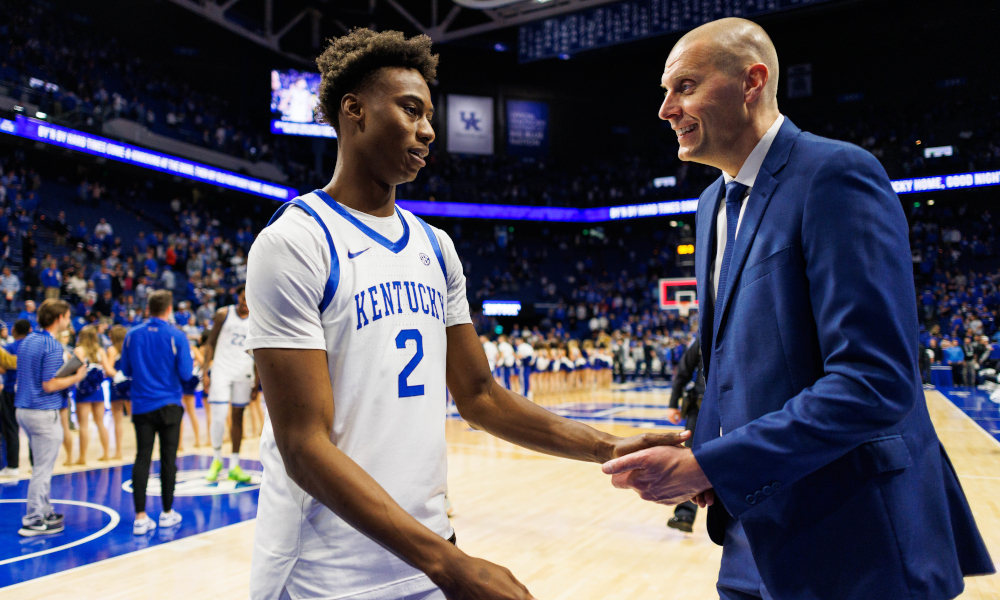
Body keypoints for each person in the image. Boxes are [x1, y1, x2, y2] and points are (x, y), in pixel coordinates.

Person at [245, 28, 687, 600]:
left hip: (427, 551)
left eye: (430, 115)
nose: (429, 129)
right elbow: (305, 445)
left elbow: (480, 396)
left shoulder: (435, 247)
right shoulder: (293, 242)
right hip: (325, 574)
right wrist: (451, 565)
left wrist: (605, 447)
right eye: (411, 110)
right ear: (353, 111)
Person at [602, 17, 993, 599]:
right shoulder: (712, 202)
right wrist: (704, 456)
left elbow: (875, 383)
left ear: (751, 82)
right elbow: (733, 369)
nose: (665, 109)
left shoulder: (835, 175)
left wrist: (717, 465)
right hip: (753, 533)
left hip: (857, 541)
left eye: (684, 87)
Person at [121, 290, 192, 535]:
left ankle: (140, 517)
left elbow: (125, 369)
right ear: (169, 309)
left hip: (141, 405)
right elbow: (185, 374)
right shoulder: (177, 336)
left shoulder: (131, 335)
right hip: (170, 404)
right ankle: (167, 513)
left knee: (142, 457)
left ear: (148, 308)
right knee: (168, 459)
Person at [15, 299, 87, 536]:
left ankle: (44, 509)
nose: (69, 321)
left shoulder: (28, 341)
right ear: (58, 319)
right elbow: (49, 384)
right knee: (42, 470)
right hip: (43, 411)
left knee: (41, 466)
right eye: (67, 316)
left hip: (24, 408)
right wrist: (77, 377)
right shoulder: (53, 346)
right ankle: (33, 519)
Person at [203, 284, 254, 483]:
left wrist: (257, 381)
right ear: (237, 298)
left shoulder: (257, 319)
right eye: (242, 298)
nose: (245, 303)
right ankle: (216, 460)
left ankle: (234, 464)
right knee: (219, 416)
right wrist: (206, 371)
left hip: (244, 372)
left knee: (238, 417)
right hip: (221, 371)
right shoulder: (223, 314)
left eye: (249, 299)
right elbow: (210, 343)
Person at [664, 337, 704, 533]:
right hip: (700, 408)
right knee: (690, 460)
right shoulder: (703, 339)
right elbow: (683, 372)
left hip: (736, 409)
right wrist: (673, 403)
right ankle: (686, 512)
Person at [72, 325, 113, 464]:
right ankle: (106, 453)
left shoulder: (79, 350)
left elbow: (75, 370)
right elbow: (107, 370)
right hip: (97, 389)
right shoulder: (100, 350)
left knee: (83, 425)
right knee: (100, 423)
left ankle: (82, 457)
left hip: (83, 390)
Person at [0, 319, 29, 476]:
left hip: (11, 391)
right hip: (29, 392)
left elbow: (3, 370)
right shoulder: (32, 346)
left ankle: (13, 466)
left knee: (11, 428)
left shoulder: (9, 347)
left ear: (14, 331)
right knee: (32, 430)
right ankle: (35, 464)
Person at [106, 324, 130, 460]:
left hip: (116, 385)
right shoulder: (129, 347)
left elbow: (109, 369)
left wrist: (118, 377)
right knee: (135, 418)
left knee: (117, 419)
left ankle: (119, 451)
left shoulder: (112, 349)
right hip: (128, 383)